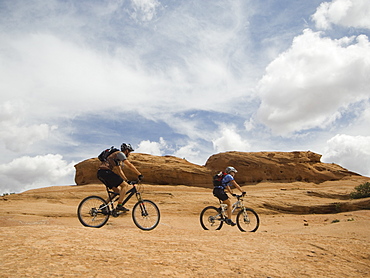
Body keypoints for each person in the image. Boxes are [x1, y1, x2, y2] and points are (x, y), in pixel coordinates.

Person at [97, 143, 143, 211]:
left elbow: (119, 171)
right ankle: (119, 205)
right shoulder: (120, 154)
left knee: (117, 191)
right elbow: (129, 165)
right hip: (106, 172)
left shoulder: (115, 157)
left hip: (100, 173)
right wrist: (139, 174)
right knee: (124, 186)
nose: (129, 154)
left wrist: (126, 180)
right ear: (126, 150)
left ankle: (104, 206)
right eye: (129, 151)